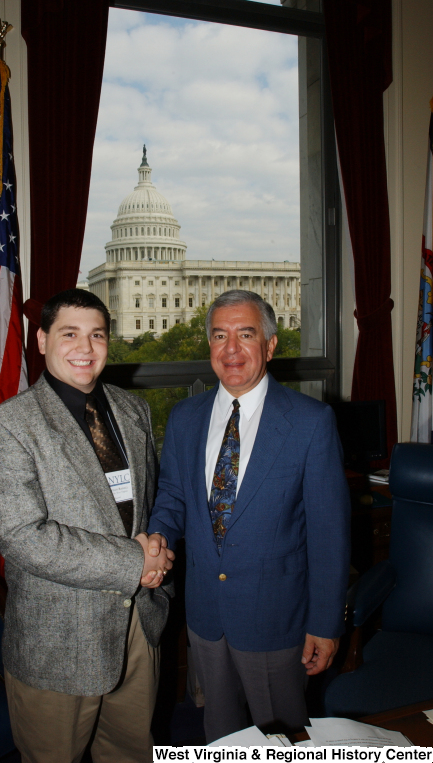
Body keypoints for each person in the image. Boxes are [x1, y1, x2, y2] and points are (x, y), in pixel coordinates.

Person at [0, 288, 174, 763]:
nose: (85, 347)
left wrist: (157, 545)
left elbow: (145, 502)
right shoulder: (7, 427)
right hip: (60, 640)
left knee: (131, 753)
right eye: (69, 333)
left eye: (97, 335)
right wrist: (134, 561)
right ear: (41, 340)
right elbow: (25, 538)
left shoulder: (132, 410)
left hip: (139, 625)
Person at [147, 290, 350, 742]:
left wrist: (325, 623)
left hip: (277, 620)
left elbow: (329, 533)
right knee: (219, 733)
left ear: (271, 345)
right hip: (205, 618)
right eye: (220, 335)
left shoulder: (310, 422)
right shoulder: (184, 417)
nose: (231, 349)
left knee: (283, 737)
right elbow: (173, 497)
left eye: (245, 334)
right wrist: (158, 538)